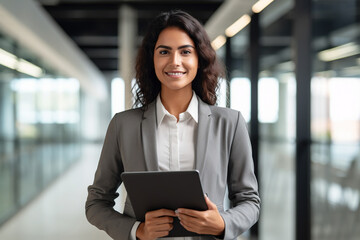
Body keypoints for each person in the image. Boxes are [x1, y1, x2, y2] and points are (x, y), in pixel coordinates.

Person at [86, 10, 260, 240]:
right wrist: (137, 231)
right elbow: (96, 203)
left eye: (185, 51)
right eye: (164, 52)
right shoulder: (123, 125)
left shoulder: (230, 122)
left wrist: (222, 224)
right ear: (152, 59)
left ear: (199, 58)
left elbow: (250, 201)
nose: (174, 62)